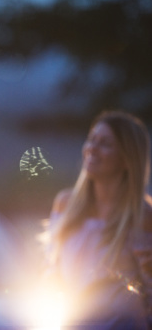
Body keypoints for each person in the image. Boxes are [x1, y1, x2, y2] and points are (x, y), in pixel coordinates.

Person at [46, 111, 152, 328]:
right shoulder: (65, 204)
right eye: (92, 139)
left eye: (105, 144)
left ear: (127, 159)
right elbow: (52, 271)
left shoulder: (142, 215)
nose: (92, 148)